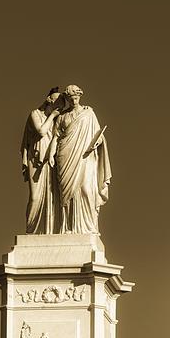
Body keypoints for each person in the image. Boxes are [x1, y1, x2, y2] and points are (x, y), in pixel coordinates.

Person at [51, 85, 112, 234]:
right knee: (66, 194)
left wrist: (98, 142)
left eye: (76, 98)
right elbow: (56, 137)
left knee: (86, 189)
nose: (74, 101)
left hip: (85, 155)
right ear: (67, 99)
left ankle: (89, 227)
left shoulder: (89, 113)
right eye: (71, 99)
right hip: (65, 155)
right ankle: (67, 227)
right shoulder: (62, 117)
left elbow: (99, 134)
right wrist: (51, 154)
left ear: (80, 97)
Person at [20, 88, 64, 234]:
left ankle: (50, 230)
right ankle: (31, 230)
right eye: (56, 101)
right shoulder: (35, 114)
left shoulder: (58, 118)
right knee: (35, 197)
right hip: (36, 159)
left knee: (53, 196)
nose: (59, 106)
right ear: (49, 100)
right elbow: (41, 131)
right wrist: (52, 116)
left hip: (51, 160)